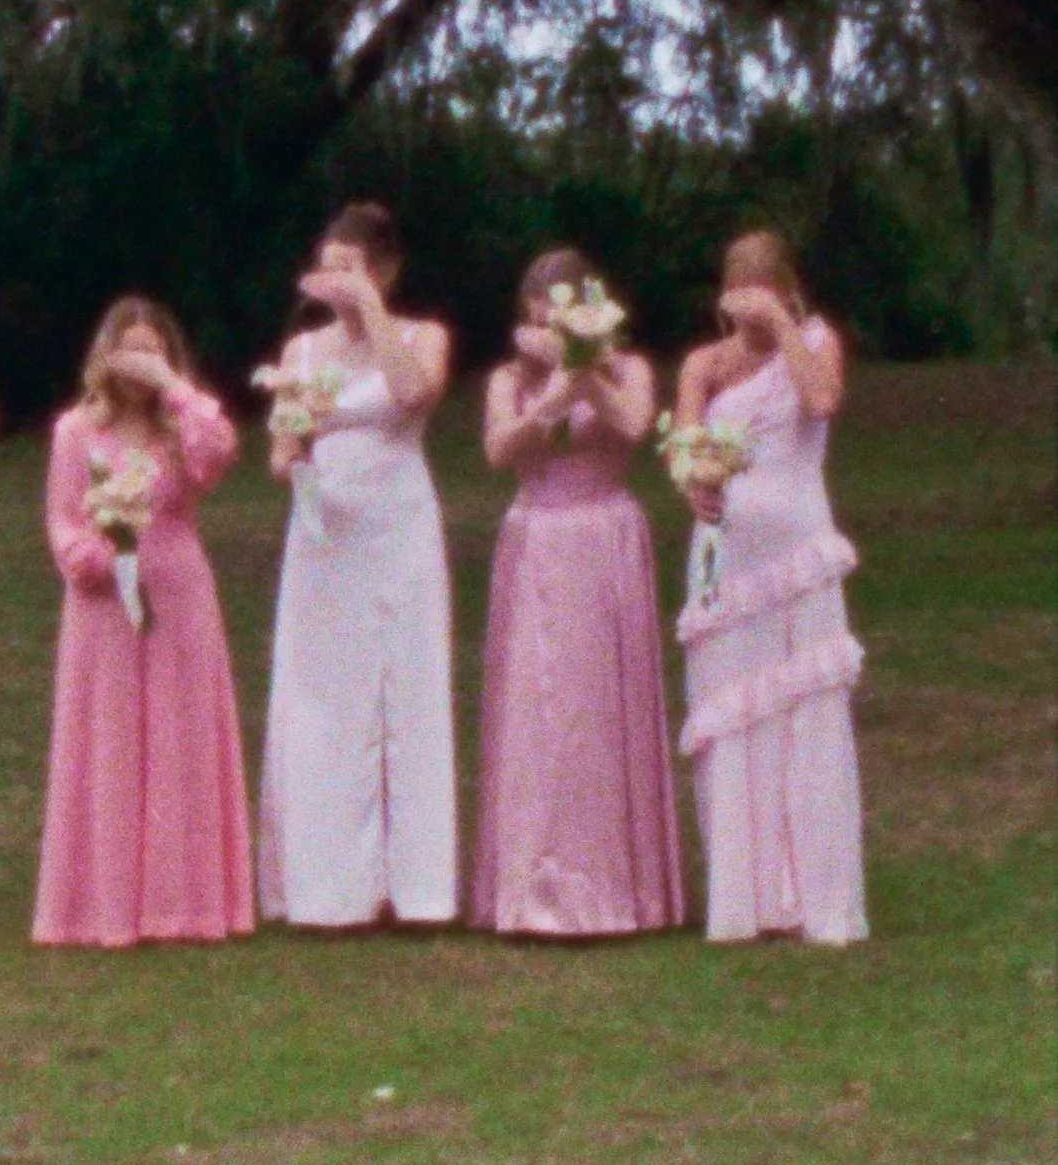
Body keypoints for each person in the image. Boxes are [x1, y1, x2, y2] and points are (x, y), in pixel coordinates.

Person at [471, 249, 685, 936]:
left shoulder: (629, 369)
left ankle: (613, 889)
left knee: (596, 705)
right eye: (538, 312)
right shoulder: (508, 379)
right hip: (538, 536)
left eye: (561, 311)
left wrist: (587, 373)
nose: (547, 323)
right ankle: (532, 885)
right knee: (537, 709)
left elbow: (634, 426)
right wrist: (554, 397)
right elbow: (499, 451)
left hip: (603, 537)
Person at [257, 202, 459, 928]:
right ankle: (329, 887)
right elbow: (279, 455)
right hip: (326, 530)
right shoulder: (301, 352)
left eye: (353, 266)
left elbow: (413, 393)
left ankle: (415, 886)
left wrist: (370, 308)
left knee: (406, 685)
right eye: (329, 264)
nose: (336, 278)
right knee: (324, 690)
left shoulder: (423, 336)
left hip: (400, 523)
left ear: (385, 270)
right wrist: (299, 443)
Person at [33, 296, 256, 947]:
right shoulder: (75, 430)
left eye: (150, 352)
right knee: (109, 740)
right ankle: (99, 905)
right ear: (105, 357)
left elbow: (218, 452)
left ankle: (181, 904)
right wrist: (89, 557)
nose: (137, 365)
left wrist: (174, 389)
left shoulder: (182, 426)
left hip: (178, 595)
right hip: (103, 603)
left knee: (179, 739)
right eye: (127, 351)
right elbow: (61, 517)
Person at [670, 230, 866, 943]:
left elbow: (823, 400)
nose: (748, 312)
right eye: (739, 296)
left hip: (797, 549)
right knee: (733, 714)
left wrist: (784, 327)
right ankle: (745, 897)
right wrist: (694, 483)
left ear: (785, 290)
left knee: (803, 709)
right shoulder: (704, 364)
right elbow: (685, 448)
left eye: (764, 295)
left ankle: (814, 891)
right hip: (726, 556)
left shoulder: (814, 342)